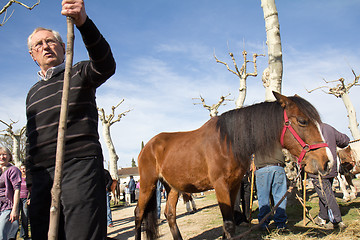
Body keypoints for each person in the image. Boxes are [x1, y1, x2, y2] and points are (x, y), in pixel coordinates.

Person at [25, 0, 116, 239]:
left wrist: (83, 23)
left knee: (82, 234)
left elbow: (106, 65)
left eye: (50, 41)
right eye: (38, 45)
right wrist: (33, 184)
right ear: (33, 55)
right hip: (44, 176)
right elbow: (30, 142)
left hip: (80, 166)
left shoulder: (78, 73)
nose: (45, 47)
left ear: (63, 47)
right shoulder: (32, 94)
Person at [310, 122, 350, 229]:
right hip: (331, 167)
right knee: (325, 192)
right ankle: (322, 217)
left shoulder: (309, 129)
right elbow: (344, 140)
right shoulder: (328, 127)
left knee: (326, 194)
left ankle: (336, 221)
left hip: (318, 168)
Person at [254, 145, 287, 229]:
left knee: (263, 197)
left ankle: (263, 223)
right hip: (277, 166)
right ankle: (280, 223)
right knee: (280, 196)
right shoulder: (276, 134)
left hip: (262, 168)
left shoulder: (256, 136)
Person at [0, 147, 22, 240]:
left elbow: (17, 190)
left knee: (1, 234)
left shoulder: (13, 170)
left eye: (5, 154)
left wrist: (14, 209)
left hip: (7, 206)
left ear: (10, 156)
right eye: (0, 155)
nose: (2, 157)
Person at [11, 165, 30, 240]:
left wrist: (30, 198)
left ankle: (24, 235)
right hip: (18, 199)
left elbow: (31, 189)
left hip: (25, 199)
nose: (23, 170)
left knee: (25, 217)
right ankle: (13, 236)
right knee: (15, 218)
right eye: (21, 169)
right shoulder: (17, 178)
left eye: (24, 169)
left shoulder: (28, 178)